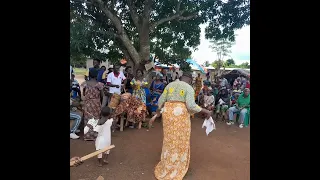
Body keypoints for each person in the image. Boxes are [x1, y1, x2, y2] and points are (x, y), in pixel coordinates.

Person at [154, 72, 212, 180]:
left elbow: (161, 100)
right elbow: (190, 105)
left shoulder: (170, 85)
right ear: (190, 80)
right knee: (180, 139)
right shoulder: (189, 88)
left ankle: (167, 162)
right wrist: (205, 111)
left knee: (169, 139)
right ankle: (177, 164)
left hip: (168, 114)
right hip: (180, 114)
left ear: (180, 78)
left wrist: (158, 111)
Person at [82, 69, 104, 141]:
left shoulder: (85, 83)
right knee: (95, 119)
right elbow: (102, 95)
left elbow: (84, 94)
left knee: (87, 119)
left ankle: (87, 136)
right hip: (96, 104)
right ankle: (95, 136)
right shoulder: (99, 84)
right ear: (96, 75)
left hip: (87, 104)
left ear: (89, 74)